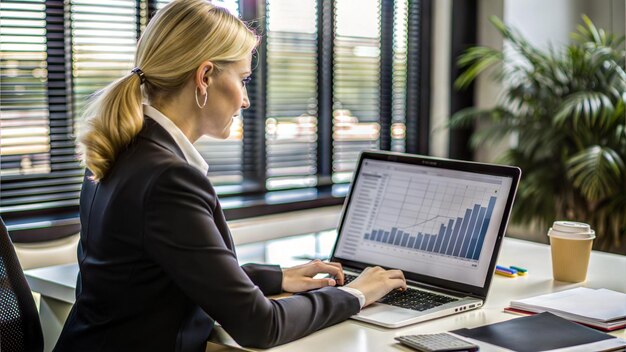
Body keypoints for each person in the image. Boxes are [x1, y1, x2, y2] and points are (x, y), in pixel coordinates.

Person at [53, 1, 406, 351]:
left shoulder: (120, 147)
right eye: (243, 79)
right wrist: (355, 293)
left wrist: (278, 277)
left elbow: (173, 272)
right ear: (204, 77)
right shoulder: (167, 178)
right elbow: (260, 326)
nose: (246, 100)